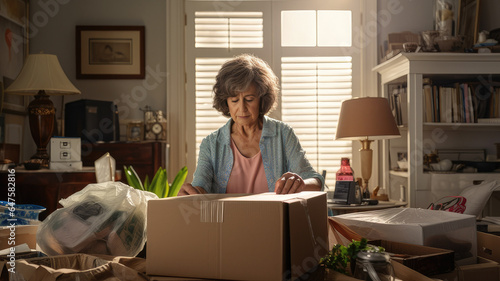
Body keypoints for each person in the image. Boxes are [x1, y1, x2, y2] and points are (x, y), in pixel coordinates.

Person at [178, 54, 324, 196]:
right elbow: (201, 186)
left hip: (274, 219)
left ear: (262, 99)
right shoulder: (210, 144)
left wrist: (301, 184)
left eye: (249, 99)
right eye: (234, 100)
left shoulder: (283, 134)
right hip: (227, 221)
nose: (242, 109)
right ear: (226, 102)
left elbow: (316, 181)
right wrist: (192, 193)